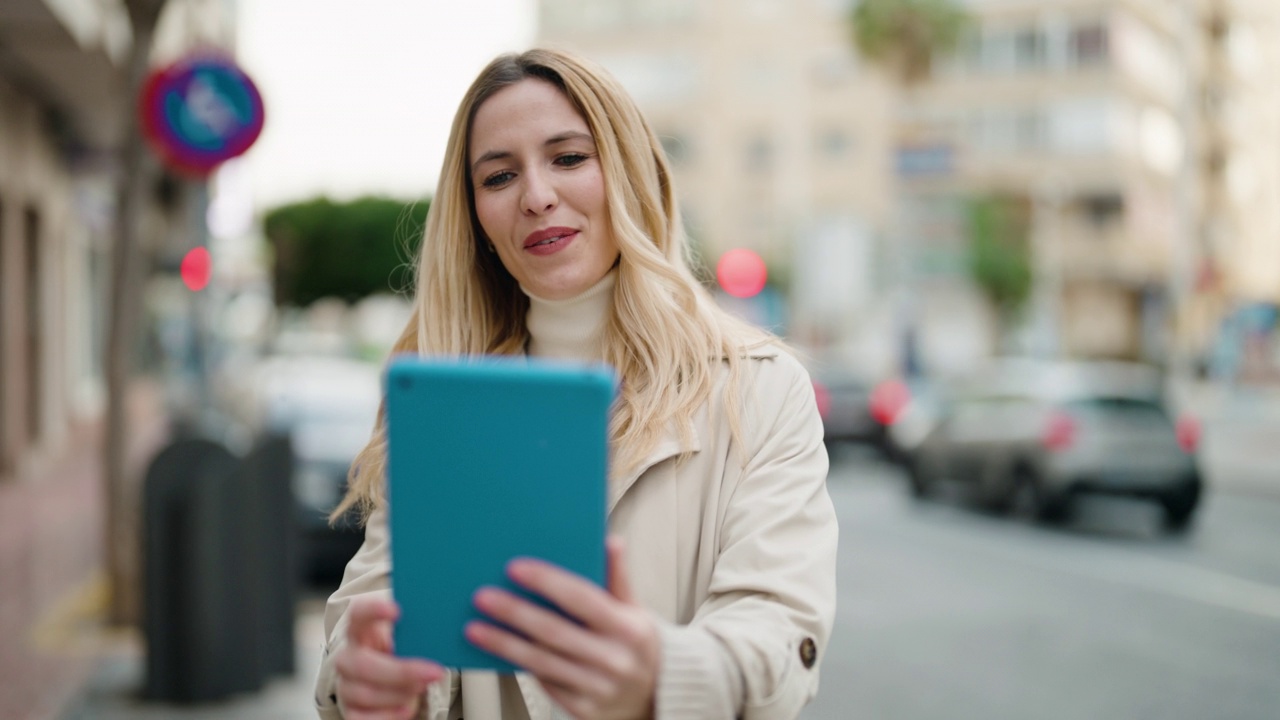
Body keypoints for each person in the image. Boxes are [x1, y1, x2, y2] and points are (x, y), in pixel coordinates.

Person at [314, 48, 838, 720]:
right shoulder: (443, 404)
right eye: (499, 176)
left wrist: (656, 674)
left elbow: (778, 635)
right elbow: (371, 615)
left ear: (628, 171)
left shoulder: (760, 390)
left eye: (567, 158)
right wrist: (368, 678)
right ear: (474, 216)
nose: (536, 196)